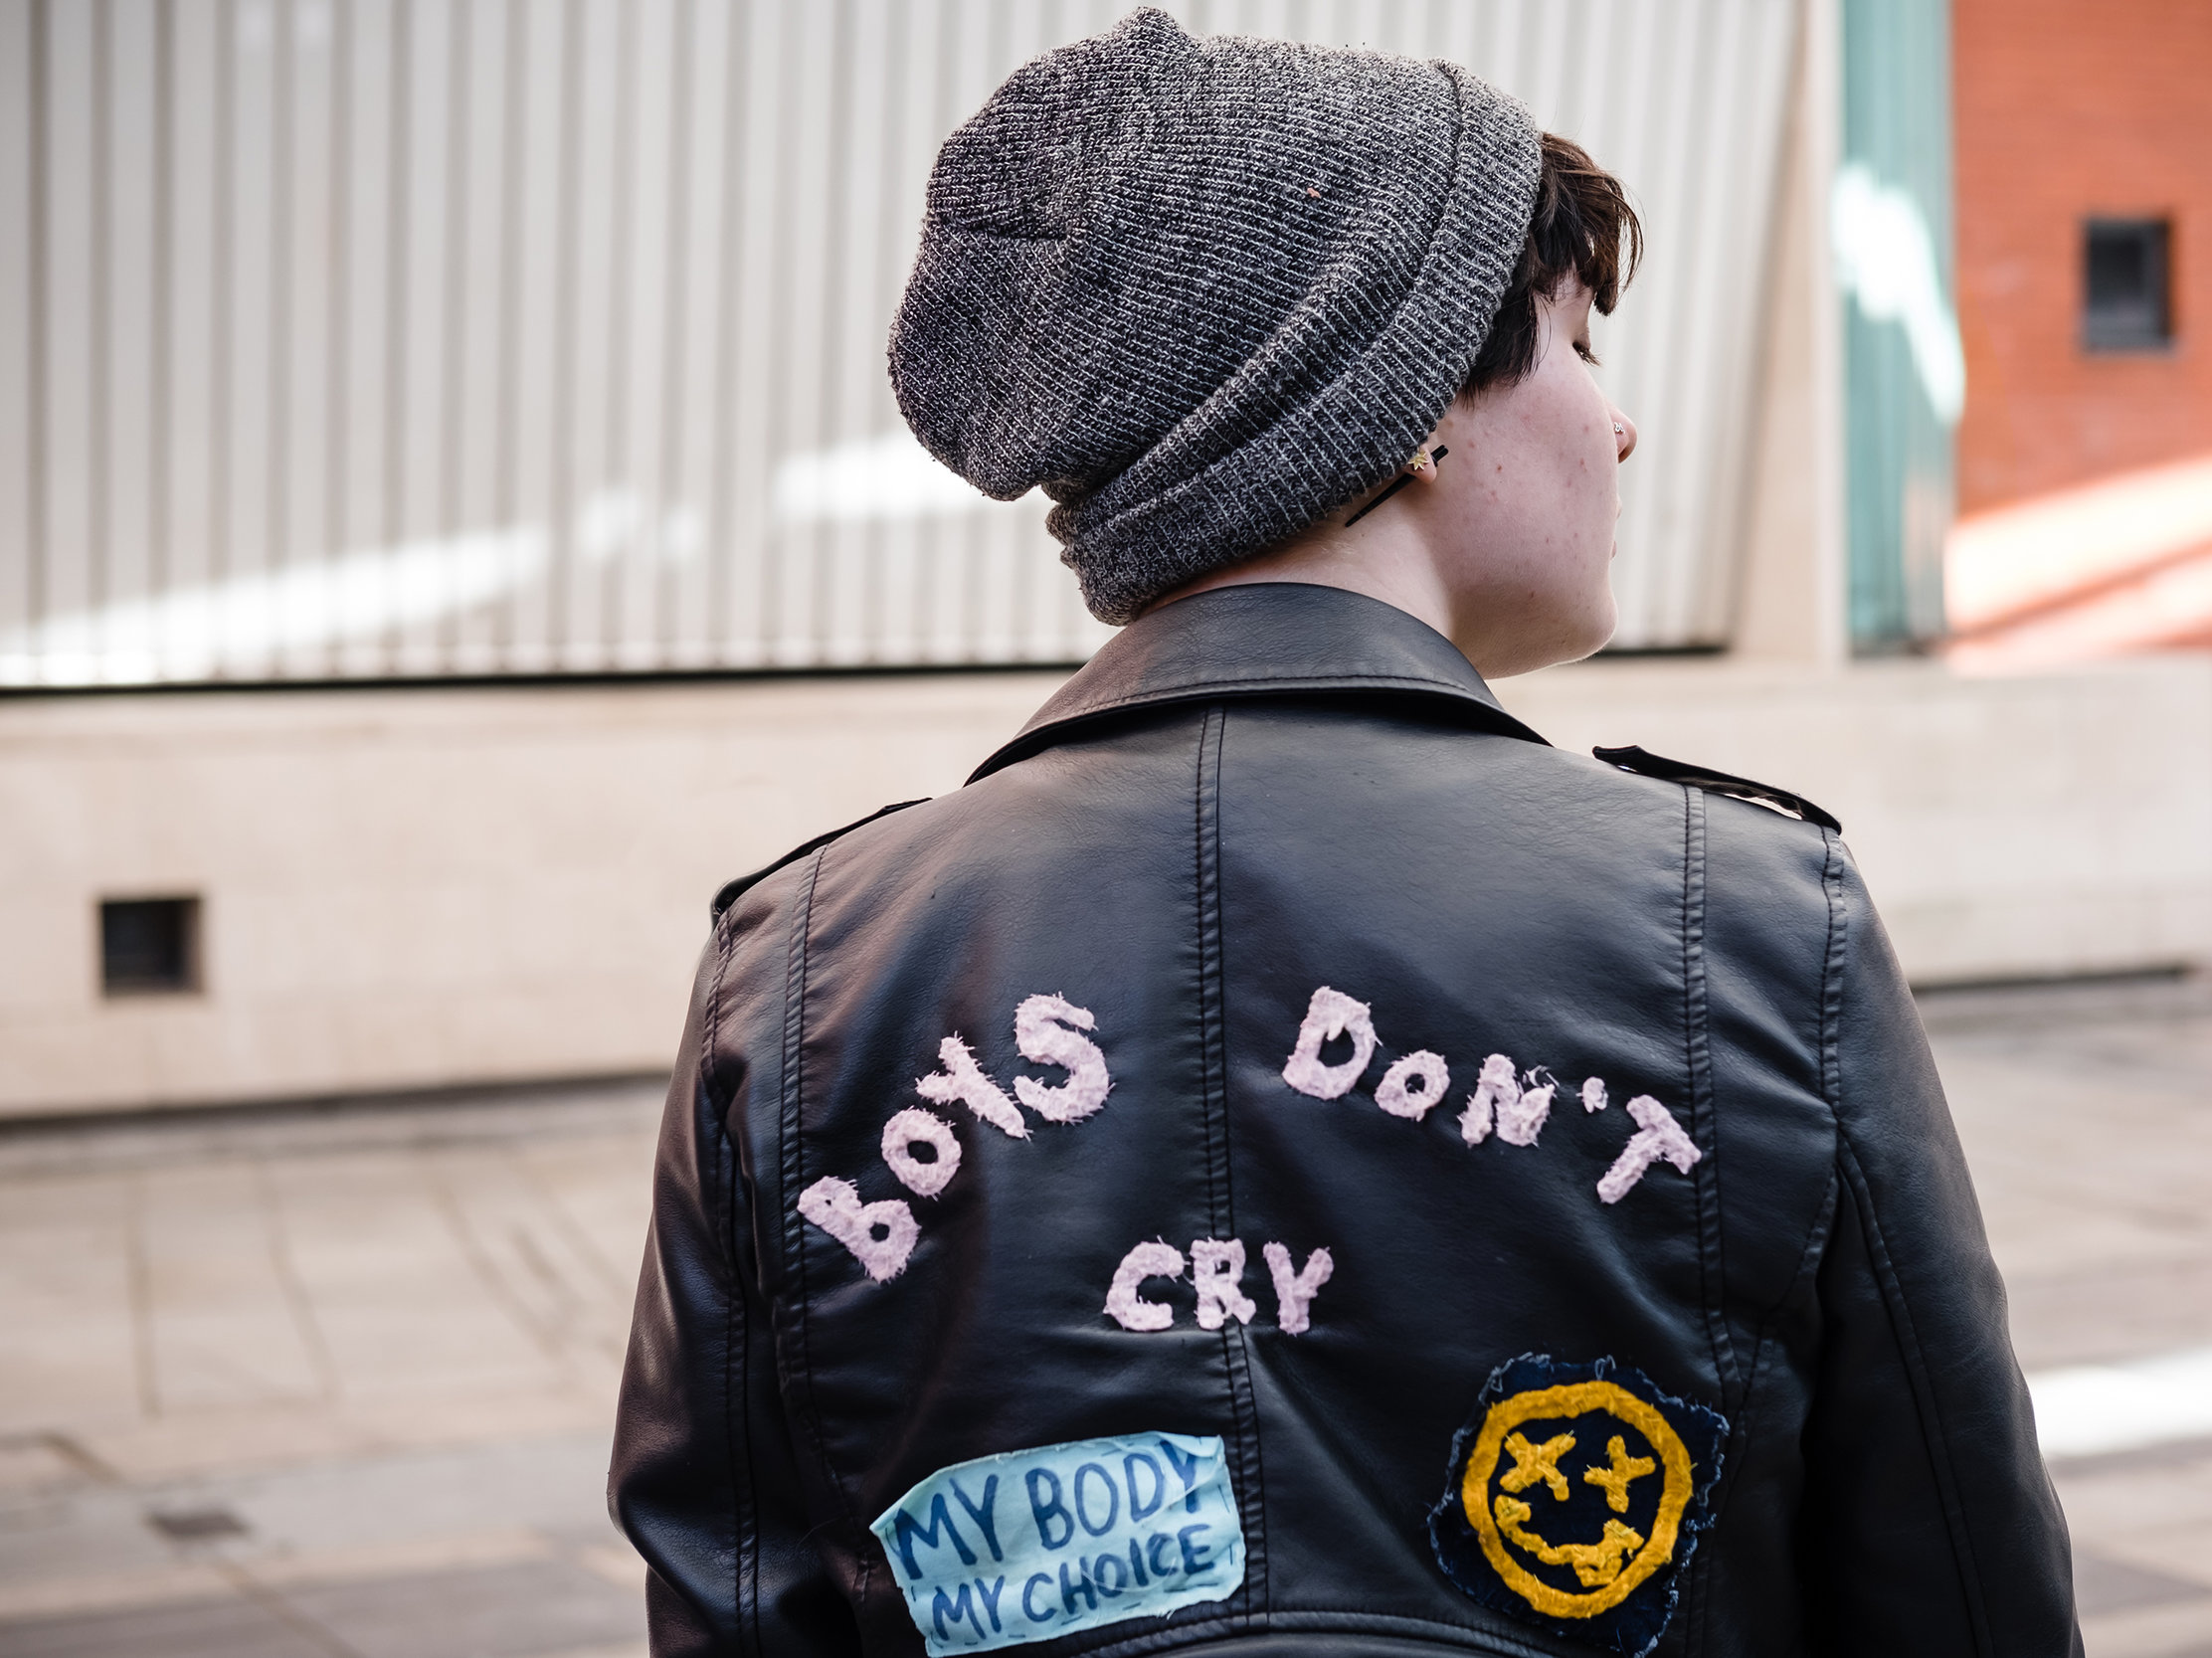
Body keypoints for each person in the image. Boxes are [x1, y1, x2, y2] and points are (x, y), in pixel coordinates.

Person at [610, 10, 2080, 1656]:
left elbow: (741, 1605)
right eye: (1580, 342)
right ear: (1422, 403)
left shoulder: (805, 969)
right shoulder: (1738, 915)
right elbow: (1955, 1584)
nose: (1620, 422)